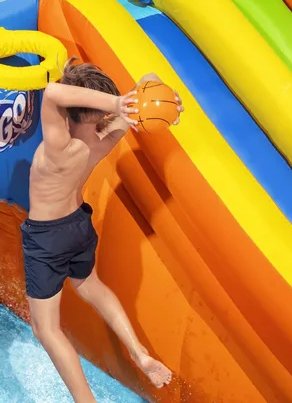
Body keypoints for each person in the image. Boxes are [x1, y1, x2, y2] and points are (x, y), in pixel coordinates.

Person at [22, 59, 182, 402]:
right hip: (79, 225)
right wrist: (166, 102)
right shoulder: (104, 138)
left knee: (45, 329)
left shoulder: (59, 146)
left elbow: (51, 92)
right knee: (89, 285)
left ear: (70, 110)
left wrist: (115, 102)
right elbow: (150, 76)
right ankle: (139, 352)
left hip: (47, 237)